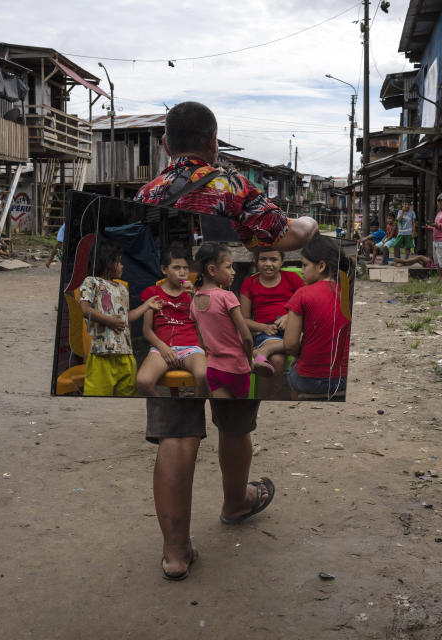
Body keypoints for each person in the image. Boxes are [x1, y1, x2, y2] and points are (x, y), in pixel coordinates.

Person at [134, 100, 318, 581]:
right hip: (225, 331)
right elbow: (292, 235)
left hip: (173, 332)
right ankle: (236, 503)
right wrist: (310, 225)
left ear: (165, 145)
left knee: (175, 432)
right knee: (235, 423)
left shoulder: (148, 192)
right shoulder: (235, 187)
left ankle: (176, 553)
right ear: (214, 143)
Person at [78, 238, 162, 397]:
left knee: (127, 398)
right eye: (118, 261)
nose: (122, 266)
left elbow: (126, 318)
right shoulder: (91, 282)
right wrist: (109, 320)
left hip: (126, 355)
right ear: (106, 261)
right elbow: (85, 309)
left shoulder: (122, 288)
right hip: (102, 356)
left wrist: (147, 306)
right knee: (97, 399)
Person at [283, 235, 351, 400]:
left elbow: (290, 344)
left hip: (310, 381)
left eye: (305, 265)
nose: (301, 270)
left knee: (292, 372)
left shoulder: (303, 294)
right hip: (345, 379)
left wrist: (298, 358)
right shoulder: (346, 292)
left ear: (321, 266)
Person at [136, 248, 209, 397]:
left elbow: (207, 319)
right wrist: (163, 347)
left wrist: (194, 295)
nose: (182, 272)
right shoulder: (153, 293)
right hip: (161, 348)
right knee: (143, 381)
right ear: (164, 269)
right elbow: (147, 330)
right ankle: (166, 410)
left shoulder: (195, 292)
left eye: (185, 268)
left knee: (205, 375)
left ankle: (195, 412)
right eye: (176, 268)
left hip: (190, 347)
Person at [189, 243, 254, 399]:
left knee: (224, 416)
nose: (233, 272)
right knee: (240, 416)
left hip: (213, 369)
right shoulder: (227, 297)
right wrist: (250, 361)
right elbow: (246, 338)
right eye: (229, 267)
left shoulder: (194, 302)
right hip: (236, 368)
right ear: (212, 270)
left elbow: (202, 342)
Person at [239, 249, 305, 398]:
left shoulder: (292, 278)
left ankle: (262, 352)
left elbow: (306, 304)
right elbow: (244, 320)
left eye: (273, 260)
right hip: (267, 333)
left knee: (301, 341)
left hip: (293, 328)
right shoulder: (250, 283)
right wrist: (264, 327)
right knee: (276, 360)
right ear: (257, 261)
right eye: (263, 259)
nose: (268, 264)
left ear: (282, 262)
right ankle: (266, 400)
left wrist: (289, 316)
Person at [422, 194, 442, 283]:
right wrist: (429, 227)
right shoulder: (439, 213)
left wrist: (438, 225)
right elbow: (437, 227)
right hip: (436, 240)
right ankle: (440, 278)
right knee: (437, 261)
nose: (440, 203)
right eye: (439, 201)